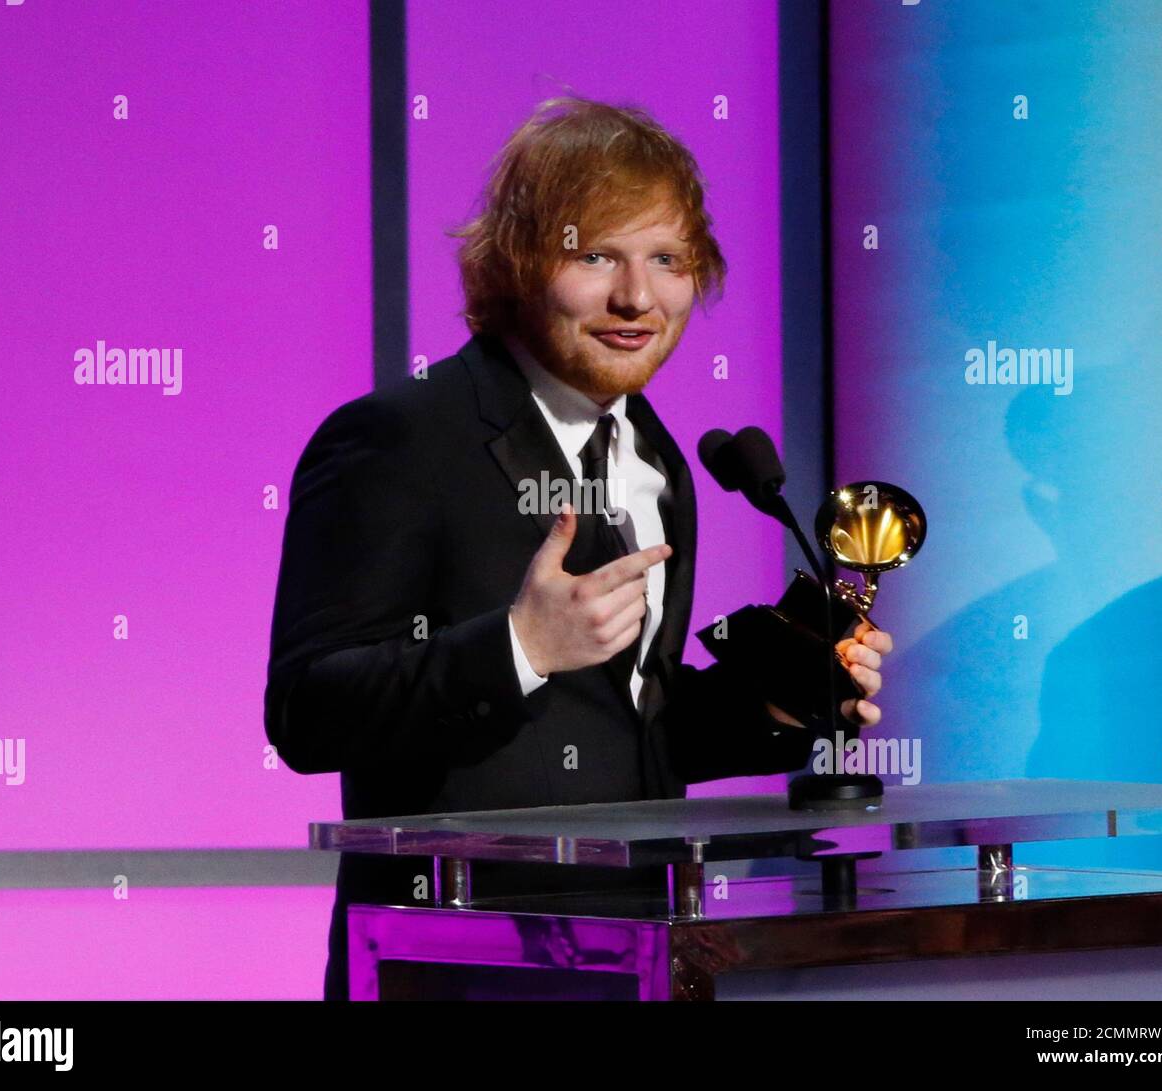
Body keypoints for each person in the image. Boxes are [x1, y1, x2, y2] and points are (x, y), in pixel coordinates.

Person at [263, 96, 892, 1000]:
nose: (638, 297)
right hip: (457, 968)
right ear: (520, 262)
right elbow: (307, 712)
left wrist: (779, 705)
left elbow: (628, 729)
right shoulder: (397, 440)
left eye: (668, 260)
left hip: (641, 954)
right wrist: (519, 648)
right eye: (595, 255)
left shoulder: (660, 462)